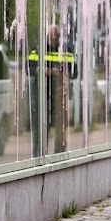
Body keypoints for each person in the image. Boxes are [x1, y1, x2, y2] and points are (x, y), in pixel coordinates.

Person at [28, 23, 77, 156]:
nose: (54, 39)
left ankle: (59, 154)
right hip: (42, 94)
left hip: (59, 94)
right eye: (51, 36)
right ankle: (38, 155)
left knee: (60, 127)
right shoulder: (38, 49)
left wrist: (60, 73)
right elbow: (29, 69)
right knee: (41, 126)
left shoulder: (66, 50)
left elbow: (75, 72)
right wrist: (42, 71)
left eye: (56, 37)